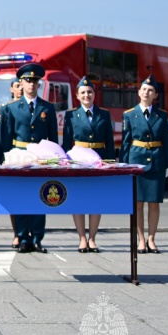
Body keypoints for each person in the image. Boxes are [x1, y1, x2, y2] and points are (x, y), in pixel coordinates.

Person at [0, 63, 58, 254]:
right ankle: (23, 236)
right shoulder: (11, 108)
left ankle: (37, 237)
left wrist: (54, 160)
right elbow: (6, 138)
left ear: (38, 84)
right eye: (27, 81)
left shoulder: (47, 108)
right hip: (19, 155)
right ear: (21, 83)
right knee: (21, 196)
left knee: (40, 196)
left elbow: (53, 139)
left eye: (34, 81)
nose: (31, 84)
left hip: (40, 157)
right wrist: (6, 159)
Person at [120, 75, 168, 254]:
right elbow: (126, 142)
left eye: (150, 90)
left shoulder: (162, 115)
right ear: (139, 92)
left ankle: (152, 239)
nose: (147, 92)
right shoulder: (129, 114)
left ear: (155, 95)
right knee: (137, 203)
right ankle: (141, 240)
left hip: (157, 162)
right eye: (144, 89)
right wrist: (123, 165)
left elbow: (167, 142)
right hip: (137, 162)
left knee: (154, 203)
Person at [62, 76, 115, 253]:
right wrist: (65, 161)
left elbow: (109, 141)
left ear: (94, 94)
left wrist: (110, 163)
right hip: (78, 160)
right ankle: (82, 238)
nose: (87, 95)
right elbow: (67, 141)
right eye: (83, 92)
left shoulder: (104, 114)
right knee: (78, 199)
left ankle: (92, 238)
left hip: (98, 161)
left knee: (96, 200)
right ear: (77, 95)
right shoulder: (71, 115)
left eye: (90, 92)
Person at [0, 78, 24, 238]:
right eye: (17, 86)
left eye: (21, 85)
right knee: (16, 196)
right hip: (15, 156)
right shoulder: (7, 109)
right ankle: (17, 233)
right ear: (11, 89)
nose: (20, 89)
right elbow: (4, 136)